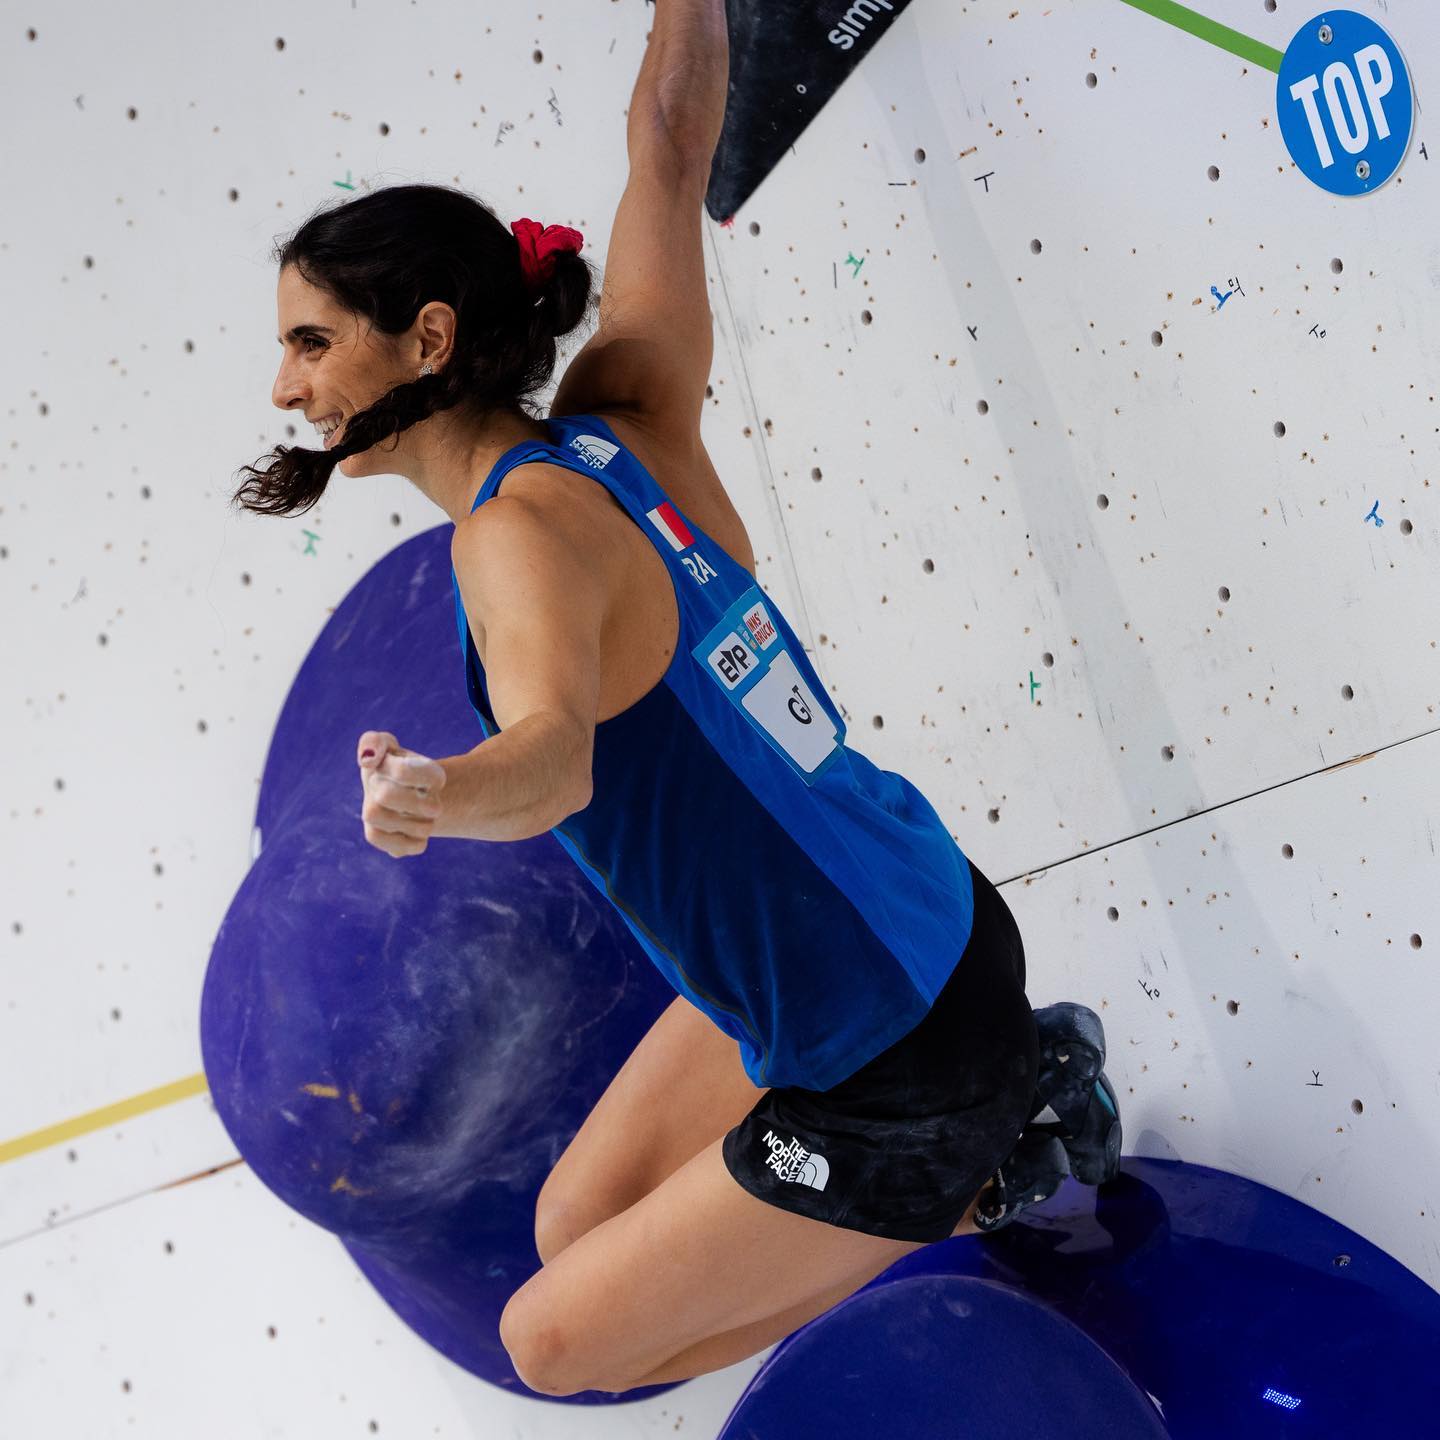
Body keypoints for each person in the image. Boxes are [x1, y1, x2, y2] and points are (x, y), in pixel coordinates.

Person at [244, 0, 1118, 1400]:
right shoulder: (624, 410)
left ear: (423, 340)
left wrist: (435, 795)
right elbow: (667, 143)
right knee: (569, 1229)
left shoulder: (508, 537)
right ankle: (993, 1099)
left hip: (899, 1057)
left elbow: (553, 762)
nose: (286, 386)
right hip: (920, 913)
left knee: (551, 1345)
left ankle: (1002, 1148)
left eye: (310, 342)